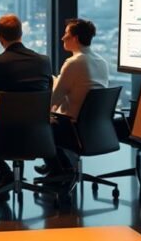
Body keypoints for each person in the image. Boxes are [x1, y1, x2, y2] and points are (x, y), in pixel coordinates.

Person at [0, 14, 52, 195]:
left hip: (1, 137)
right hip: (38, 134)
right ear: (21, 34)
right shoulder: (43, 61)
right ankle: (8, 175)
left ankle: (4, 173)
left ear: (0, 38)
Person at [38, 18, 109, 177]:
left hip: (73, 128)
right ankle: (60, 166)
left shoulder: (74, 62)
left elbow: (54, 99)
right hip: (95, 128)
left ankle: (58, 169)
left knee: (38, 122)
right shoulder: (102, 62)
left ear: (75, 38)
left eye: (66, 34)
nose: (62, 38)